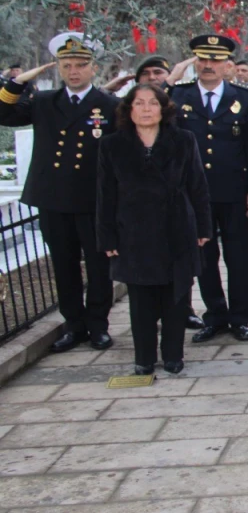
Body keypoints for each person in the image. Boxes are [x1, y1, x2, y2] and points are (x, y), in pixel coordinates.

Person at [0, 34, 119, 352]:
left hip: (94, 200)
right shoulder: (43, 102)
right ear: (59, 68)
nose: (74, 71)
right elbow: (4, 115)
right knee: (63, 266)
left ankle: (98, 326)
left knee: (98, 267)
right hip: (54, 198)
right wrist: (16, 84)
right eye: (67, 66)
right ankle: (74, 326)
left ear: (93, 68)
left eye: (81, 65)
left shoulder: (109, 105)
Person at [97, 84, 211, 375]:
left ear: (163, 109)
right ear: (129, 109)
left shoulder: (184, 140)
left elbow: (197, 186)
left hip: (176, 226)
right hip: (133, 229)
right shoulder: (112, 144)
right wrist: (107, 234)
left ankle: (173, 355)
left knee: (175, 296)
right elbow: (105, 193)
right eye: (139, 103)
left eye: (152, 103)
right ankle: (144, 357)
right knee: (141, 299)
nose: (146, 109)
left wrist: (203, 226)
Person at [169, 35, 248, 343]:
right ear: (195, 62)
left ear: (227, 65)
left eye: (215, 60)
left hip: (234, 190)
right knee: (204, 258)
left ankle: (240, 317)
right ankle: (215, 315)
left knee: (238, 256)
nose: (208, 65)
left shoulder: (245, 97)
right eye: (202, 59)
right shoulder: (178, 96)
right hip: (194, 193)